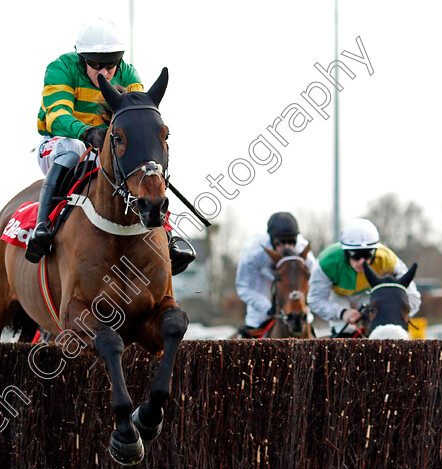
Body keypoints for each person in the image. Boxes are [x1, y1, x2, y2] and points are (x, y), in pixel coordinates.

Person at [24, 18, 196, 274]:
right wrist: (87, 132)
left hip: (109, 147)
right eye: (95, 65)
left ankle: (166, 234)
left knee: (144, 165)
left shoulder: (129, 74)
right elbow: (56, 116)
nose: (104, 73)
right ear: (82, 59)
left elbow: (139, 120)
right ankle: (43, 227)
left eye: (111, 65)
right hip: (60, 143)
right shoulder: (60, 69)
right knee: (72, 151)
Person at [308, 218, 421, 335]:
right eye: (356, 256)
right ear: (346, 252)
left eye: (367, 255)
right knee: (345, 329)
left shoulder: (387, 258)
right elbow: (315, 299)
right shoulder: (327, 262)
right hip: (337, 295)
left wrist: (399, 315)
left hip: (369, 294)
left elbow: (413, 297)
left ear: (375, 252)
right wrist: (341, 312)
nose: (362, 262)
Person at [235, 212, 317, 338]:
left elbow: (315, 282)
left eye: (291, 242)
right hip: (262, 289)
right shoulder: (253, 252)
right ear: (271, 239)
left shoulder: (303, 249)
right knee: (255, 325)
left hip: (290, 292)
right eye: (281, 242)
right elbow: (244, 287)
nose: (287, 247)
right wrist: (268, 307)